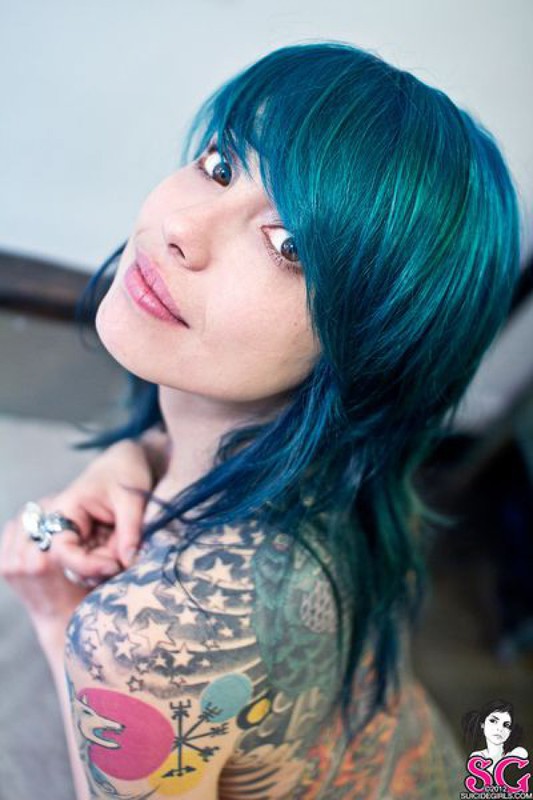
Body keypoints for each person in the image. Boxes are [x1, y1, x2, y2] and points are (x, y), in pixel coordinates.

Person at [0, 39, 521, 799]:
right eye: (219, 165)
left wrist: (57, 618)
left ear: (370, 348)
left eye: (288, 245)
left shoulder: (148, 635)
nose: (184, 228)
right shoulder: (354, 474)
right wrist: (134, 457)